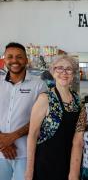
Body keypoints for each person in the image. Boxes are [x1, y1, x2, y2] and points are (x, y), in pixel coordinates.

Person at [25, 56, 80, 180]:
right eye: (59, 68)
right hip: (47, 163)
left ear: (73, 74)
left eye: (68, 69)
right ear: (53, 72)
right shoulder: (45, 98)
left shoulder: (77, 99)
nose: (64, 73)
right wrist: (29, 170)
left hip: (70, 161)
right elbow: (32, 135)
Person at [0, 42, 47, 180]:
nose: (14, 60)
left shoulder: (39, 85)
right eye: (10, 56)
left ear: (26, 60)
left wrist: (13, 136)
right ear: (4, 60)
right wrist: (3, 142)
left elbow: (42, 118)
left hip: (26, 154)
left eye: (19, 57)